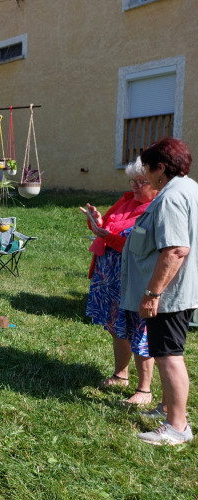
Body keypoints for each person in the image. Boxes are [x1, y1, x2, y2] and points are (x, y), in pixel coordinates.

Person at [121, 137, 198, 445]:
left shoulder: (170, 197)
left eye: (149, 170)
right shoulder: (190, 188)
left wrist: (152, 293)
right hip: (182, 289)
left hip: (171, 293)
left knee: (169, 357)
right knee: (168, 353)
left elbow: (176, 249)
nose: (147, 177)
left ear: (161, 168)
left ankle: (177, 427)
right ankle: (167, 409)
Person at [83, 158, 157, 405]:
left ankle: (144, 390)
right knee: (118, 326)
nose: (135, 186)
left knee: (140, 330)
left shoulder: (155, 209)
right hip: (112, 278)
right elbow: (109, 227)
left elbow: (143, 248)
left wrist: (110, 237)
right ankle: (120, 374)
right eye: (132, 181)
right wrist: (97, 221)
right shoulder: (127, 200)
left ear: (157, 182)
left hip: (137, 279)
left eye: (141, 181)